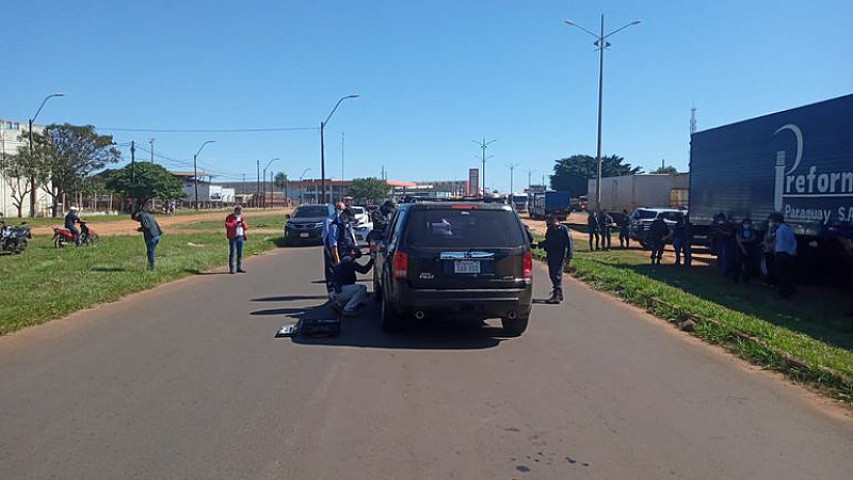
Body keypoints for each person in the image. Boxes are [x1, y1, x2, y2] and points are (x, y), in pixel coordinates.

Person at [535, 214, 574, 304]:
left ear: (555, 220)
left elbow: (570, 244)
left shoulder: (564, 230)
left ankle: (556, 295)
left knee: (557, 274)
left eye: (550, 222)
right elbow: (548, 241)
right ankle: (559, 294)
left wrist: (569, 257)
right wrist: (539, 245)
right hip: (551, 255)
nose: (549, 225)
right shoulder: (550, 230)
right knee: (552, 274)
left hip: (560, 255)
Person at [329, 247, 374, 316]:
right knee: (362, 288)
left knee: (354, 289)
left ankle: (339, 303)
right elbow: (364, 270)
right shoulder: (349, 260)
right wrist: (372, 259)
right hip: (339, 291)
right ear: (352, 252)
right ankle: (348, 309)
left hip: (334, 291)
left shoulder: (344, 260)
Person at [771, 212, 797, 298]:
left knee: (781, 273)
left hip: (781, 254)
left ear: (775, 221)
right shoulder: (788, 229)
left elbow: (781, 244)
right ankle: (789, 289)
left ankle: (783, 292)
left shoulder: (779, 230)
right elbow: (793, 241)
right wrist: (792, 251)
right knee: (787, 273)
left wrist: (775, 253)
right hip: (789, 254)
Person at [225, 205, 248, 274]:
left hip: (240, 237)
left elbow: (246, 227)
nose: (240, 212)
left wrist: (242, 223)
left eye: (241, 211)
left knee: (240, 253)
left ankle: (239, 267)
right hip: (233, 237)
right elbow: (227, 225)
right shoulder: (230, 217)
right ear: (236, 211)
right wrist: (235, 223)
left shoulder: (241, 218)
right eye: (239, 211)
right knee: (232, 253)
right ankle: (232, 268)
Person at [735, 218, 759, 283]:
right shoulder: (739, 230)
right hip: (741, 249)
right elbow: (738, 240)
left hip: (749, 249)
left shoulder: (752, 231)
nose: (746, 225)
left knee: (748, 265)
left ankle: (746, 279)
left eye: (748, 223)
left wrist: (744, 240)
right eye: (745, 223)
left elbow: (753, 238)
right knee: (738, 264)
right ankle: (736, 278)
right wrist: (743, 249)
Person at [761, 218, 778, 287]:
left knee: (772, 267)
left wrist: (770, 246)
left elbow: (774, 239)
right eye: (770, 222)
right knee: (768, 266)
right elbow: (765, 239)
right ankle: (769, 281)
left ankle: (772, 282)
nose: (770, 223)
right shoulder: (768, 230)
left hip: (772, 251)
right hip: (767, 251)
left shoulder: (775, 231)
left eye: (772, 222)